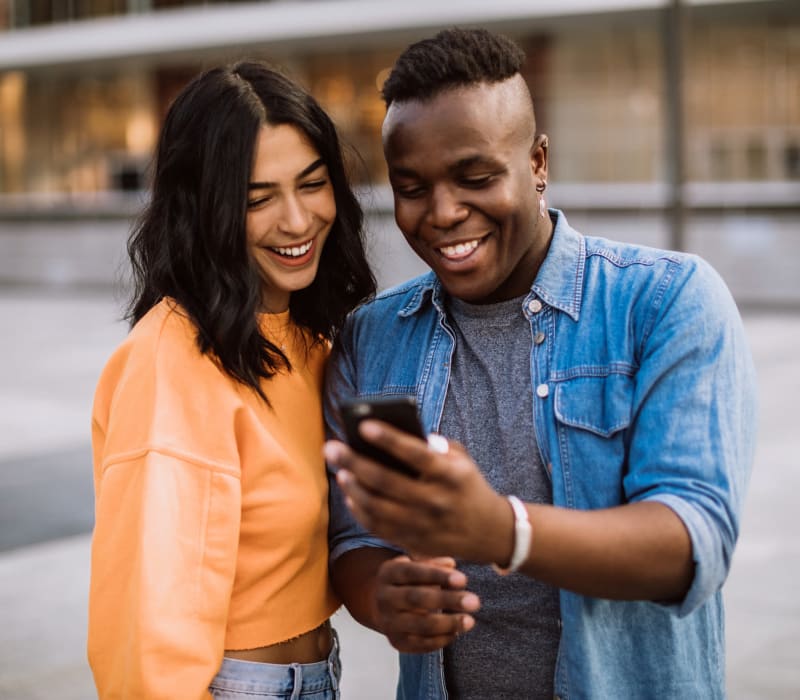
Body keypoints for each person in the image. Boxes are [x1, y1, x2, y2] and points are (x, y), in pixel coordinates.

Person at [323, 28, 757, 699]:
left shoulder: (667, 302)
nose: (442, 213)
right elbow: (353, 540)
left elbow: (692, 543)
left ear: (538, 163)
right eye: (411, 187)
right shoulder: (370, 337)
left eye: (475, 177)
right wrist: (384, 598)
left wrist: (502, 529)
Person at [88, 61, 375, 699]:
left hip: (314, 676)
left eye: (313, 184)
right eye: (257, 199)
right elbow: (148, 615)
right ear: (205, 210)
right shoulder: (171, 364)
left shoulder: (308, 340)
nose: (298, 221)